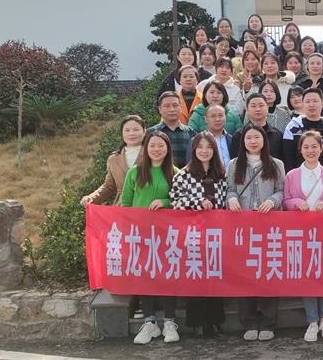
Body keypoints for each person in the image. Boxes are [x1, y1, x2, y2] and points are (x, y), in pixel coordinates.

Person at [226, 126, 285, 343]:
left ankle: (269, 322)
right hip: (242, 228)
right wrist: (231, 198)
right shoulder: (234, 164)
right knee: (245, 273)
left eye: (257, 137)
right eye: (248, 137)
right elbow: (229, 189)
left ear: (264, 140)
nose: (253, 141)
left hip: (268, 227)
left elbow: (281, 190)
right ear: (242, 141)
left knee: (268, 271)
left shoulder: (276, 164)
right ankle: (249, 322)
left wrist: (272, 201)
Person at [282, 130, 323, 342]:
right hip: (301, 232)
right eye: (306, 147)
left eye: (314, 147)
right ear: (300, 150)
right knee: (307, 274)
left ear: (321, 149)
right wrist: (297, 203)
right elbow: (286, 200)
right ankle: (312, 320)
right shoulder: (291, 175)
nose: (310, 151)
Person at [122, 131, 180, 345]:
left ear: (167, 149)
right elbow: (125, 203)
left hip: (167, 235)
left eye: (161, 145)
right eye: (152, 145)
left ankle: (170, 321)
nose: (157, 149)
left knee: (167, 276)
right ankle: (149, 322)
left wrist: (164, 202)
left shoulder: (175, 172)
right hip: (141, 235)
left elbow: (181, 201)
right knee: (145, 277)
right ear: (146, 148)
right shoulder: (135, 172)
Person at [169, 132, 228, 338]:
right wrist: (197, 203)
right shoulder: (183, 175)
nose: (204, 151)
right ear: (193, 150)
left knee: (214, 276)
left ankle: (215, 320)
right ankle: (196, 322)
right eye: (200, 147)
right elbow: (175, 201)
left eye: (209, 147)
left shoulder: (222, 174)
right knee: (194, 277)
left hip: (216, 234)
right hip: (191, 234)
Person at [80, 115, 145, 206]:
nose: (131, 133)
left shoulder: (152, 154)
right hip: (122, 207)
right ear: (122, 133)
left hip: (147, 205)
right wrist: (91, 198)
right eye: (127, 130)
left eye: (136, 130)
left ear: (144, 131)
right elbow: (109, 186)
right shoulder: (113, 159)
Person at [282, 88, 323, 171]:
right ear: (303, 104)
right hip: (300, 175)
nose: (311, 105)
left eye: (315, 101)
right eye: (307, 101)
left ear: (321, 104)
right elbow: (288, 157)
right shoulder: (292, 127)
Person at [231, 93, 284, 162]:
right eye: (253, 106)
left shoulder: (277, 135)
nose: (258, 109)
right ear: (247, 110)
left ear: (267, 108)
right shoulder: (239, 135)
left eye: (261, 105)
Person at [148, 91, 195, 168]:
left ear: (181, 107)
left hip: (184, 174)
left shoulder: (190, 132)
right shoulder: (151, 133)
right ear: (160, 109)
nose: (172, 109)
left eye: (175, 105)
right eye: (167, 106)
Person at [299, 52, 323, 117]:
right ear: (307, 66)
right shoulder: (301, 85)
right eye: (312, 63)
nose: (315, 66)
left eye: (318, 63)